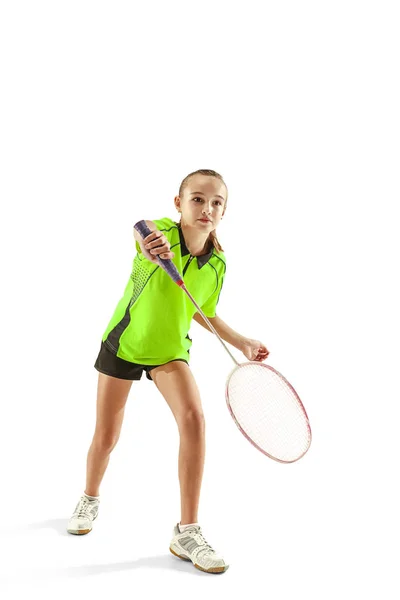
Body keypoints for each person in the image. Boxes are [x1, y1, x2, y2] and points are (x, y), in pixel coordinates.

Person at [67, 169, 269, 574]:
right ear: (179, 204)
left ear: (224, 211)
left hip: (170, 352)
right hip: (124, 344)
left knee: (194, 419)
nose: (206, 208)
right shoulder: (160, 232)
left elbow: (201, 310)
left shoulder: (218, 264)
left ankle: (186, 531)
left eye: (216, 203)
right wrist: (148, 246)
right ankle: (89, 497)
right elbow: (143, 237)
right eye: (197, 199)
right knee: (106, 436)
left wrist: (242, 341)